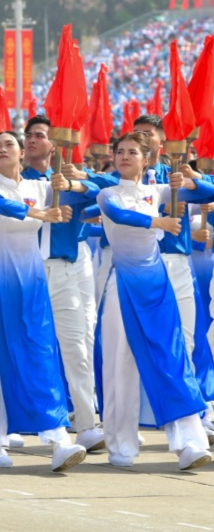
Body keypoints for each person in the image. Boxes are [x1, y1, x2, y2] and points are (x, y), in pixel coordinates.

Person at [97, 131, 213, 470]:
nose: (125, 156)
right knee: (121, 364)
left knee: (172, 357)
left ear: (147, 160)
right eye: (120, 151)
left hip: (156, 286)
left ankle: (189, 442)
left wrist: (192, 178)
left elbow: (209, 193)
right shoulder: (108, 193)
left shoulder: (159, 190)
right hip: (122, 286)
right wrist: (157, 221)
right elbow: (120, 216)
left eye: (133, 151)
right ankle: (121, 444)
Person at [0, 130, 88, 472]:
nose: (3, 149)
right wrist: (41, 216)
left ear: (23, 152)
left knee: (41, 354)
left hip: (33, 282)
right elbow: (3, 208)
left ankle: (57, 438)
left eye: (10, 144)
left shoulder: (40, 188)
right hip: (0, 283)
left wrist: (72, 185)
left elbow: (95, 193)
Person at [22, 115, 105, 453]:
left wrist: (75, 184)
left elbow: (105, 188)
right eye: (27, 135)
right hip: (26, 272)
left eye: (39, 136)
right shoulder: (18, 181)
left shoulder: (69, 183)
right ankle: (38, 422)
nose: (31, 141)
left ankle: (87, 424)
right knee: (32, 349)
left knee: (76, 348)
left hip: (63, 272)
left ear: (53, 145)